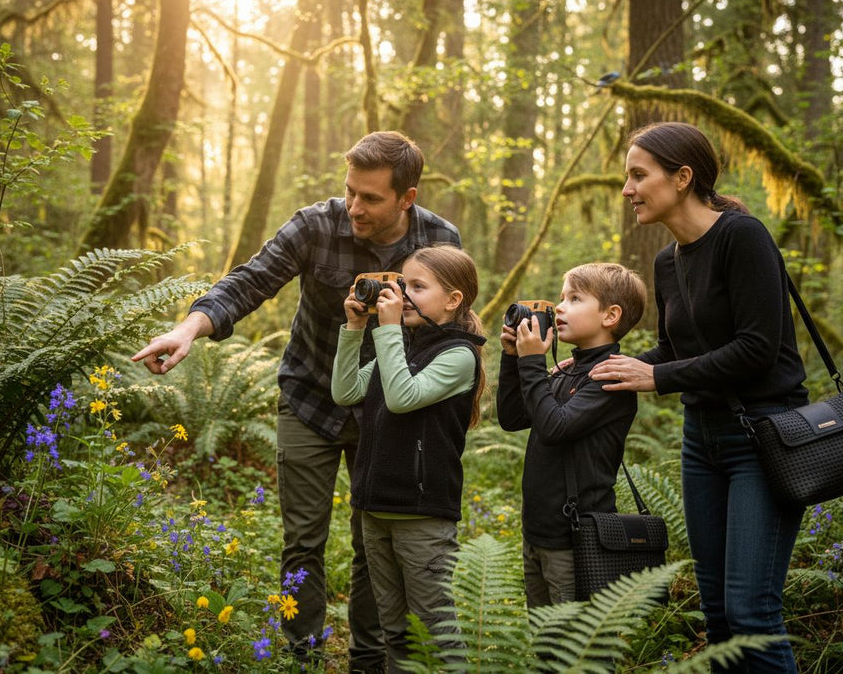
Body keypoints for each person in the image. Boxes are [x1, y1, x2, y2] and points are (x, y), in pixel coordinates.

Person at [131, 131, 461, 673]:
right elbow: (250, 280)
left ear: (407, 197)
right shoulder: (316, 224)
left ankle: (367, 660)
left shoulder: (439, 239)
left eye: (371, 198)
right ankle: (302, 656)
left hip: (386, 411)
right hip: (309, 399)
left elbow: (450, 327)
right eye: (350, 191)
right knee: (303, 539)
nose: (355, 206)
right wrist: (190, 329)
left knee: (371, 544)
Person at [590, 121, 808, 673]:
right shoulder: (668, 261)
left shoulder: (744, 237)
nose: (627, 190)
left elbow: (758, 349)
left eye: (639, 175)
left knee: (751, 611)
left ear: (683, 178)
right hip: (701, 443)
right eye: (627, 177)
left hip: (763, 435)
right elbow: (672, 348)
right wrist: (606, 362)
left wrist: (658, 379)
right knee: (715, 614)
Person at [331, 244, 486, 672]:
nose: (402, 293)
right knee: (395, 628)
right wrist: (354, 328)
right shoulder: (403, 345)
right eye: (402, 283)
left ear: (453, 300)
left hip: (421, 514)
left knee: (433, 630)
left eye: (417, 286)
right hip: (375, 506)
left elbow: (401, 398)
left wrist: (388, 330)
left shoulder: (457, 355)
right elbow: (345, 392)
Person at [497, 262, 645, 607]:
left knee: (574, 649)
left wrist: (533, 362)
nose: (559, 307)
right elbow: (513, 417)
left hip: (575, 537)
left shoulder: (611, 376)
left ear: (610, 316)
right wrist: (512, 359)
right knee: (545, 640)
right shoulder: (569, 370)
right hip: (538, 530)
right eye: (561, 297)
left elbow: (554, 427)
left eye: (575, 299)